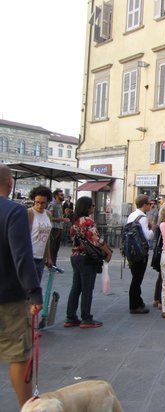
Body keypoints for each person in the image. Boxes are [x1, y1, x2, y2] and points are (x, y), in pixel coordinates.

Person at [0, 163, 43, 408]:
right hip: (9, 296)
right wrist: (35, 293)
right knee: (18, 354)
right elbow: (21, 256)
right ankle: (26, 406)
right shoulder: (13, 211)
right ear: (10, 184)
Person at [65, 196, 112, 329]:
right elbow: (96, 239)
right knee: (87, 288)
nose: (93, 207)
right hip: (86, 257)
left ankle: (70, 316)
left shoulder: (74, 221)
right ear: (87, 207)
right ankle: (86, 318)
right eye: (92, 205)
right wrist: (108, 251)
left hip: (75, 255)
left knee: (76, 287)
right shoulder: (88, 221)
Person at [126, 194, 154, 314]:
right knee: (137, 279)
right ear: (144, 205)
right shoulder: (143, 218)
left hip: (130, 250)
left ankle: (138, 301)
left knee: (135, 277)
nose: (151, 206)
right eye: (149, 204)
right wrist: (152, 228)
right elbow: (147, 235)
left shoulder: (132, 215)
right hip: (140, 251)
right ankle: (134, 305)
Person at [28, 185, 53, 283]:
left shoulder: (48, 214)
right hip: (29, 256)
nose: (39, 205)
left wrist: (49, 257)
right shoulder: (29, 213)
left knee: (37, 285)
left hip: (41, 257)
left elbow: (47, 238)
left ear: (47, 202)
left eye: (43, 203)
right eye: (37, 202)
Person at [47, 189, 69, 266]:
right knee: (52, 247)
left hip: (59, 227)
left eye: (63, 195)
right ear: (56, 196)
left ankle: (54, 264)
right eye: (61, 195)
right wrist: (62, 219)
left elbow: (59, 216)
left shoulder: (60, 205)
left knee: (56, 247)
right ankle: (51, 264)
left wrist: (64, 215)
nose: (63, 196)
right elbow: (50, 217)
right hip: (54, 228)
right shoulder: (53, 204)